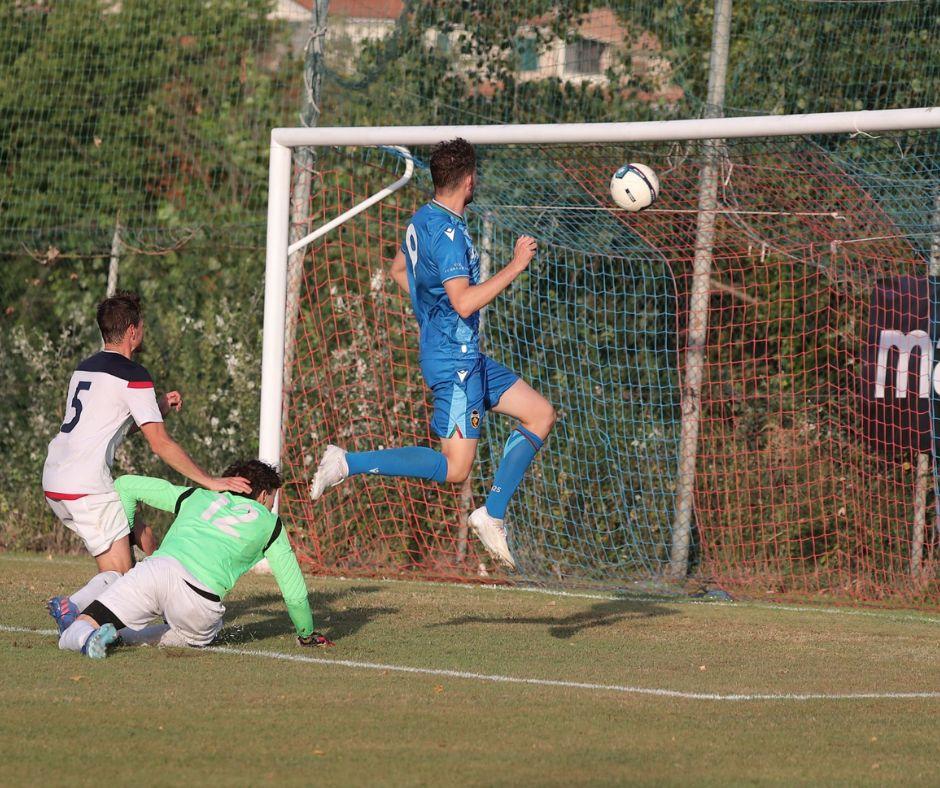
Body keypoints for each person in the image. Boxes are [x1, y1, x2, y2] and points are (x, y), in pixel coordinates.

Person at [310, 138, 555, 569]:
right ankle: (347, 462)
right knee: (456, 468)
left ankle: (491, 513)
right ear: (469, 180)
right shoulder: (450, 236)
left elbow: (398, 270)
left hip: (464, 355)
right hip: (456, 362)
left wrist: (431, 315)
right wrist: (516, 265)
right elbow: (463, 302)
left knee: (539, 413)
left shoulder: (420, 218)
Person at [43, 291, 250, 631]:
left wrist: (157, 407)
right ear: (132, 332)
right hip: (85, 485)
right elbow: (162, 444)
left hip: (55, 480)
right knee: (120, 575)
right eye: (142, 325)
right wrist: (211, 481)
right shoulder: (133, 374)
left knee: (140, 536)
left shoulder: (84, 369)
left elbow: (105, 423)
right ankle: (74, 608)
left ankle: (90, 616)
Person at [55, 459, 332, 658]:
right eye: (271, 499)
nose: (270, 505)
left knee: (81, 625)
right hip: (200, 603)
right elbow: (294, 592)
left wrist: (126, 543)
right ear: (262, 494)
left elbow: (126, 485)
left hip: (157, 571)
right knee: (188, 638)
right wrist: (306, 633)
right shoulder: (271, 525)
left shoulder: (197, 495)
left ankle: (86, 634)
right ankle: (122, 637)